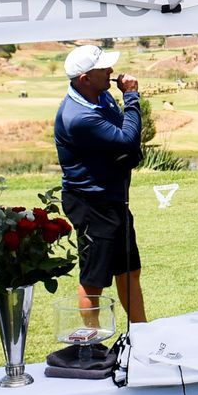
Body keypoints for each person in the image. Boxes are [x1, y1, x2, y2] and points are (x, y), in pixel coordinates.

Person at [55, 44, 146, 324]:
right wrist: (131, 97)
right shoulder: (79, 117)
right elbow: (127, 140)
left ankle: (142, 334)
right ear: (85, 79)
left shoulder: (101, 96)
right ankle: (92, 340)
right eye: (103, 68)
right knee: (93, 279)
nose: (111, 70)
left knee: (129, 270)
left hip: (112, 200)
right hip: (90, 204)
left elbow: (123, 135)